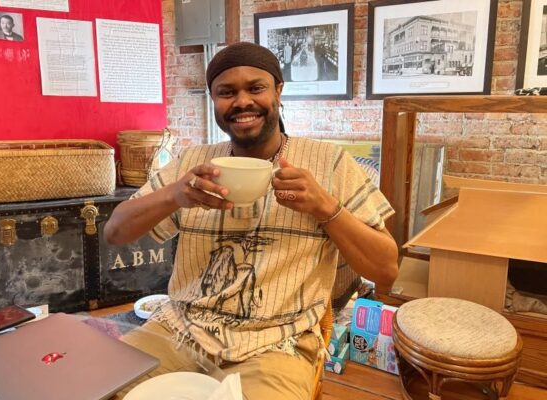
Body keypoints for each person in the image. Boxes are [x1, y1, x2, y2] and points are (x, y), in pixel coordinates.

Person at [104, 42, 398, 400]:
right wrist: (174, 194)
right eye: (226, 92)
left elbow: (386, 270)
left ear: (278, 91)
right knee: (101, 388)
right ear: (213, 99)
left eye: (255, 88)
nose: (242, 102)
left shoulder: (330, 163)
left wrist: (326, 208)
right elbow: (115, 231)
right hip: (179, 328)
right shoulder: (192, 163)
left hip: (277, 342)